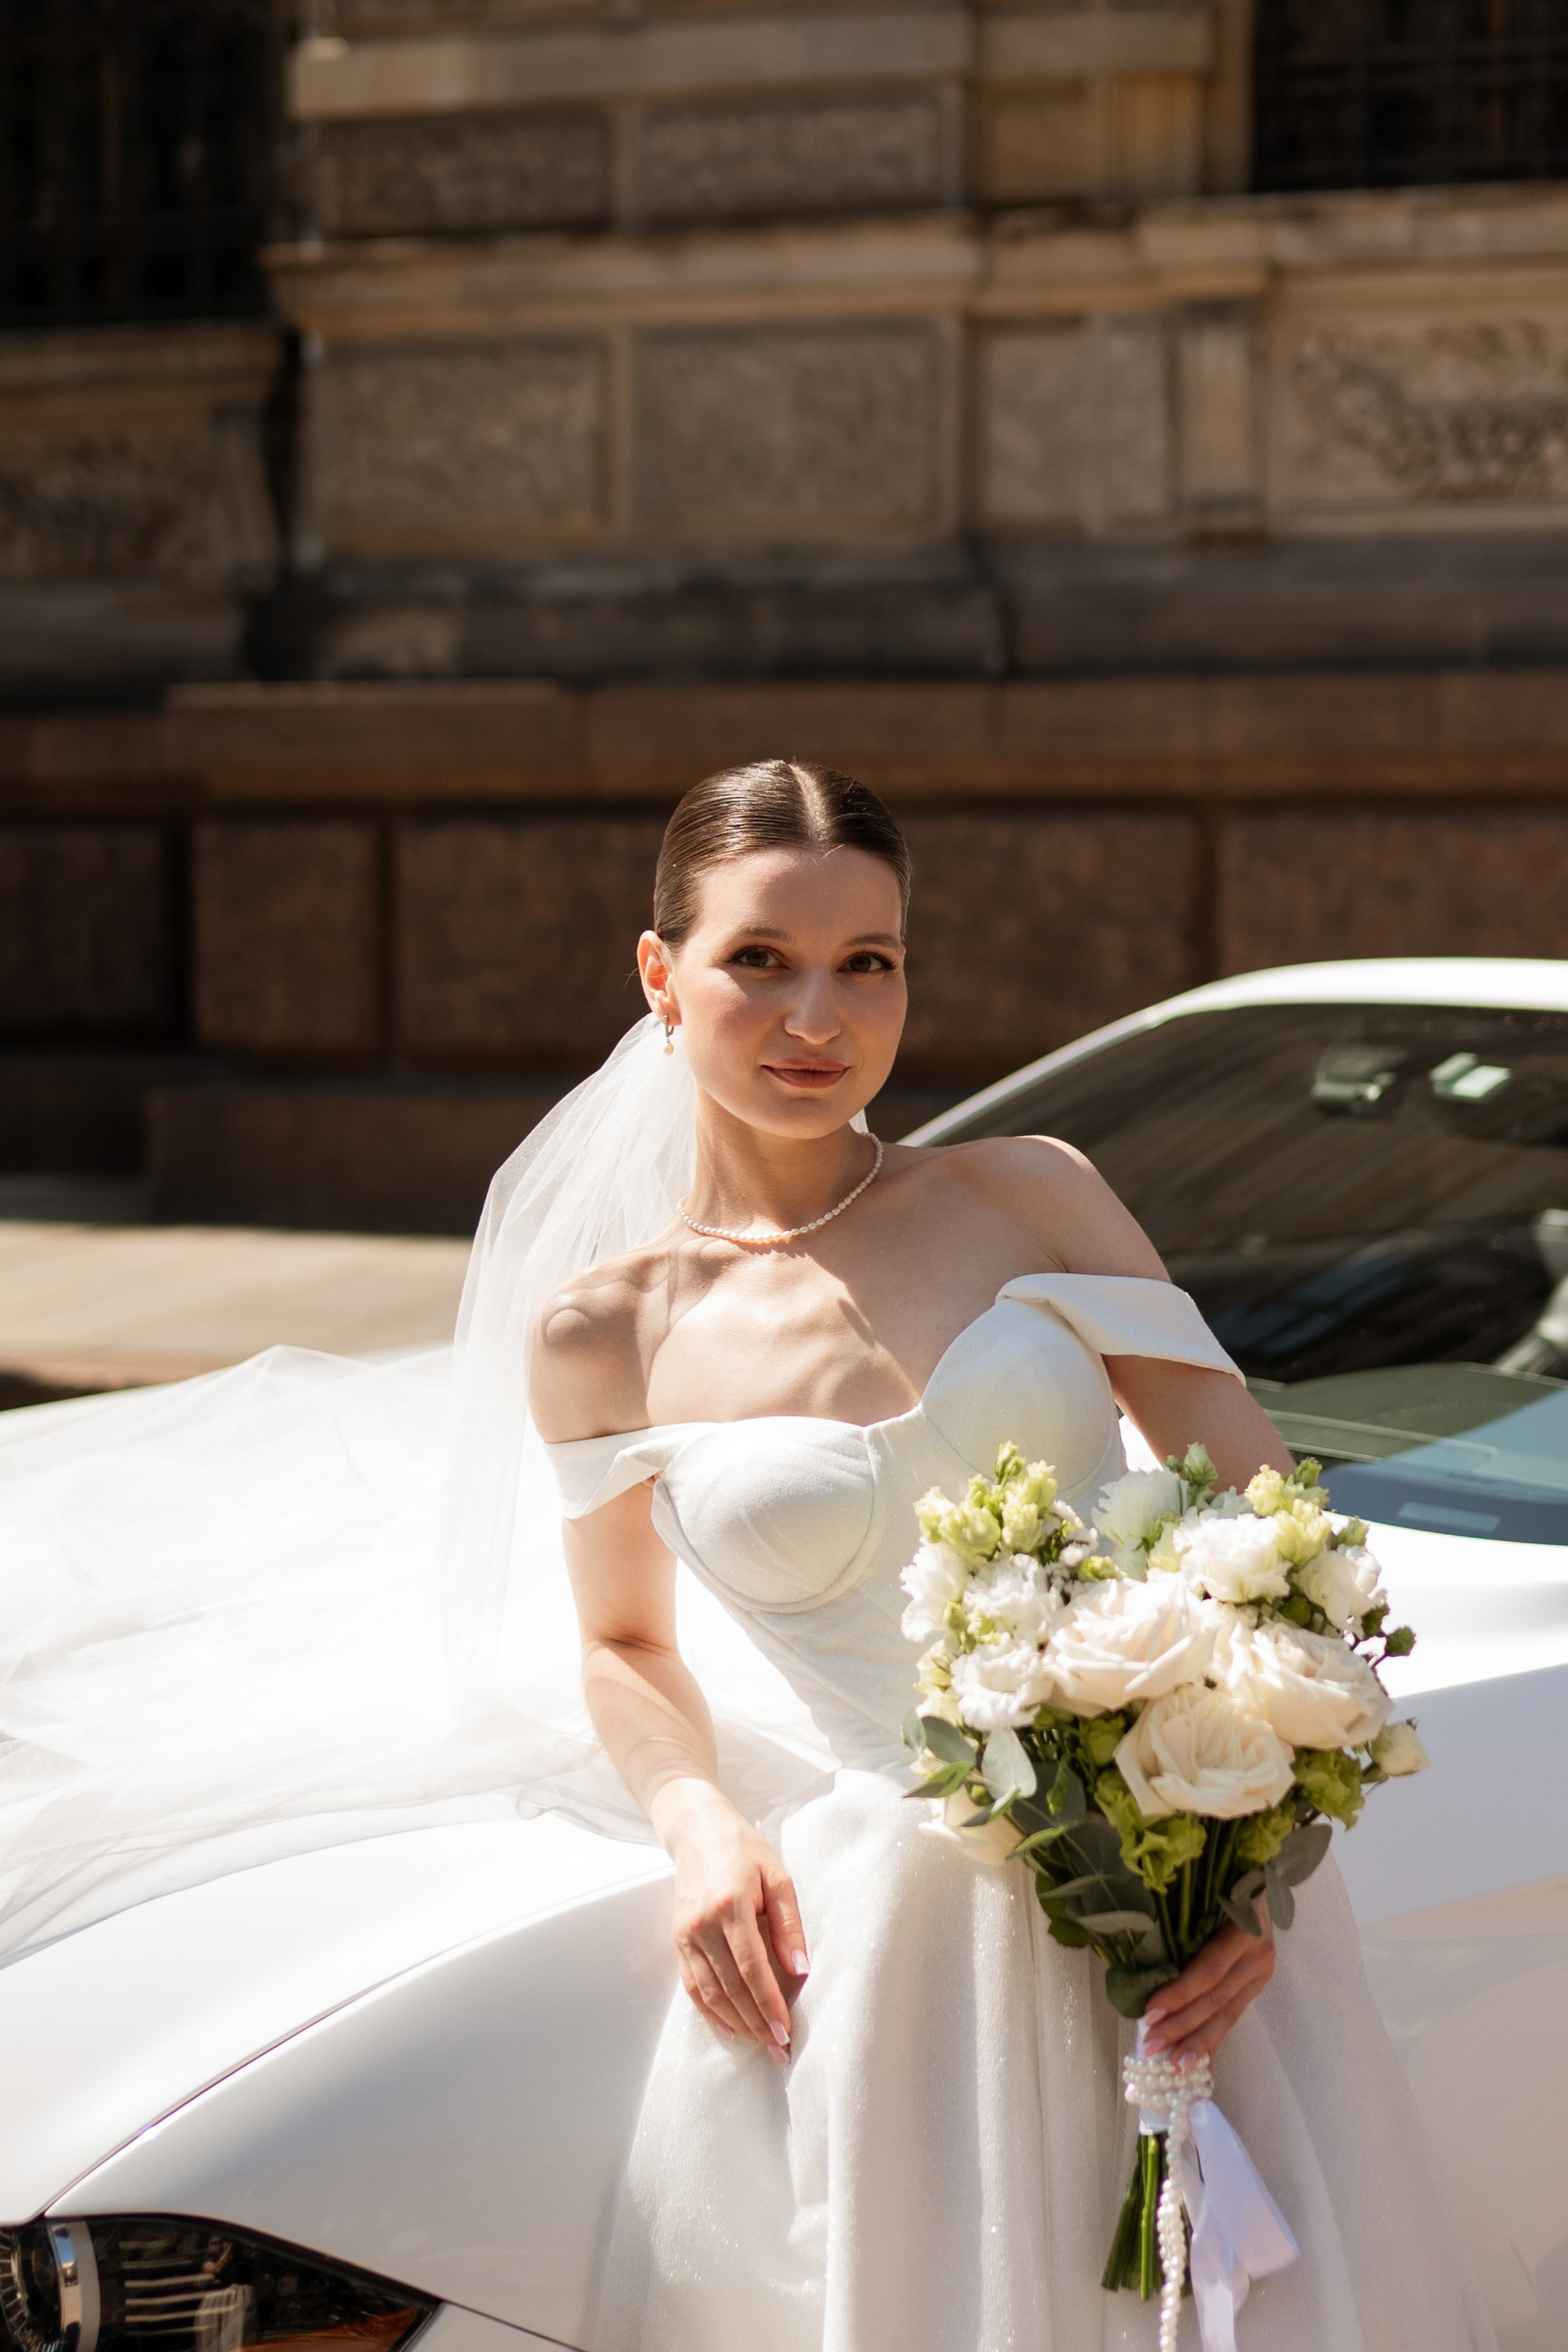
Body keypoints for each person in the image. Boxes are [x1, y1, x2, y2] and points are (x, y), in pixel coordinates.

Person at [530, 760, 1493, 2352]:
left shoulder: (1031, 1195)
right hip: (897, 1948)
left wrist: (1256, 1872)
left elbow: (1269, 1526)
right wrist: (700, 1827)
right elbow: (621, 1642)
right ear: (660, 973)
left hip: (1193, 1911)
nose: (818, 1018)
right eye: (759, 958)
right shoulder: (600, 1334)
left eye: (867, 962)